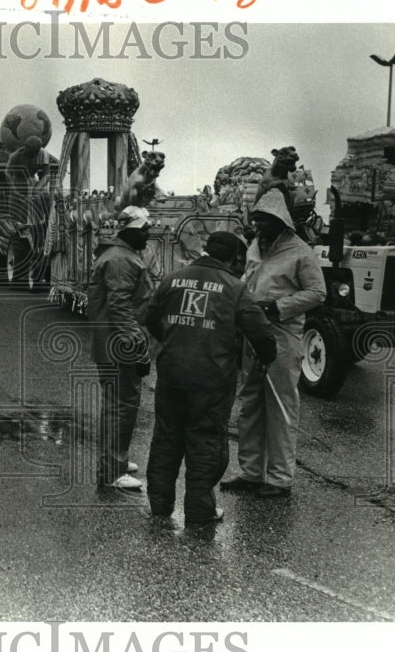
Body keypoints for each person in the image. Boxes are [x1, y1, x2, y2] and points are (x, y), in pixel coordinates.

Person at [144, 231, 277, 524]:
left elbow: (151, 315)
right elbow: (261, 332)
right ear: (233, 258)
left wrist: (172, 340)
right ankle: (200, 511)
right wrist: (266, 358)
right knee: (205, 442)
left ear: (207, 250)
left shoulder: (172, 279)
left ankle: (159, 506)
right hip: (211, 379)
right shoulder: (235, 288)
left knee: (166, 438)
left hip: (171, 373)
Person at [221, 189, 326, 498]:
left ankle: (280, 478)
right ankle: (251, 472)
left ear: (280, 221)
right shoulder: (256, 246)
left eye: (264, 221)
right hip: (253, 335)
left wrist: (278, 307)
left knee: (280, 406)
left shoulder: (300, 252)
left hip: (282, 336)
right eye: (256, 220)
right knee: (250, 404)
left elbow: (318, 293)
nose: (258, 227)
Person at [88, 205, 154, 490]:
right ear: (130, 230)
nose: (148, 234)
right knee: (121, 406)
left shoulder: (119, 255)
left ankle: (115, 459)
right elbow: (121, 308)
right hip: (120, 346)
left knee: (118, 405)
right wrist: (138, 348)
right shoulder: (121, 260)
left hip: (112, 343)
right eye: (145, 229)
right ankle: (112, 470)